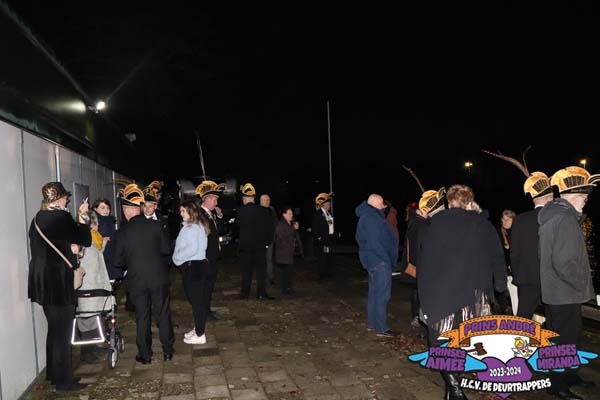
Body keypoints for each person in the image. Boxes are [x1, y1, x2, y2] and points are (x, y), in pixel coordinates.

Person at [418, 184, 506, 400]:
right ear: (470, 201)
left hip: (442, 294)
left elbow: (426, 264)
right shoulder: (482, 224)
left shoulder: (435, 225)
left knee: (442, 342)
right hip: (473, 296)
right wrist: (500, 285)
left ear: (449, 202)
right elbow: (497, 257)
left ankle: (453, 390)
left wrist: (424, 298)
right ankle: (456, 392)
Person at [538, 166, 597, 399]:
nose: (585, 201)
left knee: (568, 338)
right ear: (572, 197)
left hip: (559, 293)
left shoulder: (556, 216)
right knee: (564, 341)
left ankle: (570, 376)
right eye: (583, 197)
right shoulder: (564, 219)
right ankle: (558, 385)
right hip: (565, 293)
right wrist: (581, 284)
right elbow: (563, 262)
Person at [28, 182, 91, 391]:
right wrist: (83, 216)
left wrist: (69, 246)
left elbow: (51, 247)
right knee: (63, 333)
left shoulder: (37, 219)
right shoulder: (61, 217)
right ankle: (64, 382)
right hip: (59, 281)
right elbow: (85, 239)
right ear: (59, 199)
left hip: (41, 281)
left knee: (54, 329)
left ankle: (54, 375)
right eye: (65, 197)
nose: (67, 201)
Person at [113, 184, 174, 364]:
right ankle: (168, 351)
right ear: (139, 208)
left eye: (124, 209)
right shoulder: (156, 225)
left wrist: (132, 260)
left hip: (137, 279)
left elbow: (117, 261)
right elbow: (166, 249)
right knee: (163, 314)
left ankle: (145, 355)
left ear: (127, 210)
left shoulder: (123, 231)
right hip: (158, 277)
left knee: (142, 316)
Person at [510, 172, 553, 319]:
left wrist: (518, 275)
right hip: (552, 278)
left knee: (523, 318)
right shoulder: (556, 217)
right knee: (553, 318)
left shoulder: (520, 220)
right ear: (548, 198)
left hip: (527, 277)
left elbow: (514, 253)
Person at [355, 194, 399, 338]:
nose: (383, 206)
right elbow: (374, 243)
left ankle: (372, 323)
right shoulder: (372, 217)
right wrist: (386, 259)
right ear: (374, 204)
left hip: (372, 260)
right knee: (382, 295)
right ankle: (382, 328)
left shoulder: (367, 215)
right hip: (379, 261)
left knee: (374, 293)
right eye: (381, 204)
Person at [77, 212, 114, 363]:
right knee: (87, 320)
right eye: (96, 223)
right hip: (89, 289)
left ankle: (92, 349)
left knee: (92, 319)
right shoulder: (85, 245)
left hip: (91, 289)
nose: (98, 226)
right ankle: (86, 353)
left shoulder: (90, 243)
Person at [172, 200, 211, 345]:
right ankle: (198, 328)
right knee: (197, 301)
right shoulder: (197, 225)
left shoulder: (192, 228)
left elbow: (192, 249)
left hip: (194, 267)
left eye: (183, 211)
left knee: (197, 302)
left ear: (190, 212)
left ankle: (200, 334)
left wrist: (177, 257)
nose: (181, 213)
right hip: (198, 266)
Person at [237, 183, 275, 300]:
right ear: (253, 198)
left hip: (245, 247)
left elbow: (236, 229)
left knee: (246, 272)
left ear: (244, 199)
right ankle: (261, 293)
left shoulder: (240, 211)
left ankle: (245, 294)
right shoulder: (263, 211)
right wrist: (267, 243)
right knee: (261, 271)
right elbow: (270, 229)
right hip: (260, 247)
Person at [195, 180, 226, 320]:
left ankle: (206, 310)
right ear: (207, 199)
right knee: (204, 286)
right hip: (206, 257)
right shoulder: (200, 215)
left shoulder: (210, 214)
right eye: (214, 200)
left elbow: (220, 231)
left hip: (212, 256)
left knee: (209, 285)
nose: (216, 203)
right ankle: (203, 312)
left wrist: (219, 216)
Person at [274, 206, 302, 295]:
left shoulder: (290, 223)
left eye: (292, 213)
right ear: (284, 214)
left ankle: (289, 287)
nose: (291, 215)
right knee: (285, 272)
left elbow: (294, 235)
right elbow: (282, 236)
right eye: (289, 213)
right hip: (283, 252)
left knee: (289, 271)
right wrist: (293, 228)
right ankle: (285, 289)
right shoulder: (280, 224)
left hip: (289, 251)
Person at [494, 209, 515, 314]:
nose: (505, 222)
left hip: (515, 266)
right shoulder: (497, 233)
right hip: (502, 266)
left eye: (508, 219)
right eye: (503, 219)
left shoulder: (517, 232)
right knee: (501, 289)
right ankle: (504, 307)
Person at [311, 192, 335, 280]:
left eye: (330, 204)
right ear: (324, 205)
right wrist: (318, 238)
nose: (330, 206)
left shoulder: (329, 214)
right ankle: (322, 274)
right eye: (328, 204)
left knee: (329, 255)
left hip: (330, 238)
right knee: (322, 257)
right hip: (322, 239)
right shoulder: (318, 214)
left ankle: (329, 273)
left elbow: (331, 225)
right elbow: (315, 227)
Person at [260, 193, 278, 285]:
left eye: (269, 200)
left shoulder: (272, 210)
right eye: (266, 200)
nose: (268, 202)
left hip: (270, 239)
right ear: (261, 201)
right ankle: (262, 277)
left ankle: (270, 277)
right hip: (260, 240)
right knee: (261, 259)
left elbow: (275, 223)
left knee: (269, 259)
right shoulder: (257, 210)